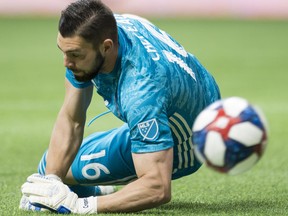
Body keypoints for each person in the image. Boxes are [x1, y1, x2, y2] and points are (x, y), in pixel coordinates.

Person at [20, 0, 221, 214]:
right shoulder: (109, 27)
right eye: (63, 51)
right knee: (51, 166)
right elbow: (72, 118)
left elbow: (157, 187)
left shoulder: (141, 90)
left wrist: (80, 206)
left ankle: (93, 195)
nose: (67, 63)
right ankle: (97, 188)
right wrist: (52, 181)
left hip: (190, 139)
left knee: (62, 168)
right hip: (197, 95)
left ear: (106, 47)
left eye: (75, 55)